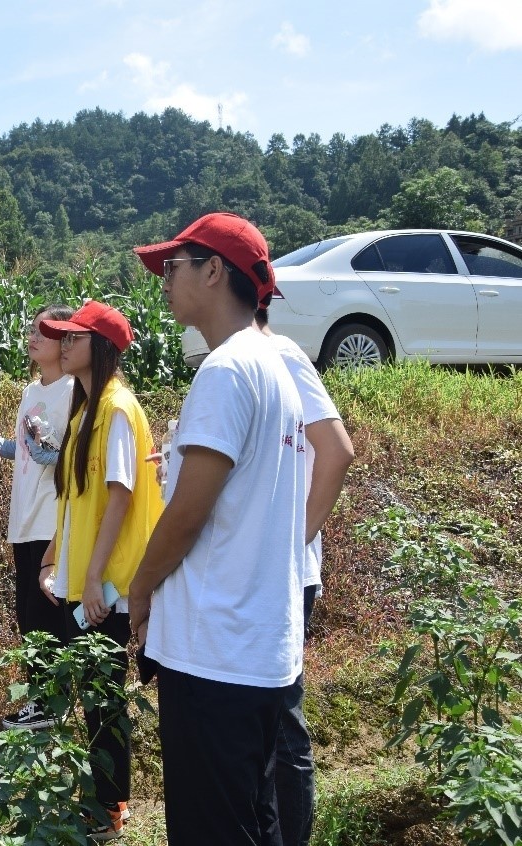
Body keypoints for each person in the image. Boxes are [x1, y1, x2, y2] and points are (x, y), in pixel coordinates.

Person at [128, 212, 307, 845]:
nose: (165, 280)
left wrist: (141, 591)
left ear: (213, 271)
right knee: (255, 822)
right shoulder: (273, 367)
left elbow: (187, 513)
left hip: (215, 653)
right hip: (256, 648)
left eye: (173, 267)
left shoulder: (227, 369)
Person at [34, 300, 163, 842]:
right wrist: (53, 556)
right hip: (84, 579)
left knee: (104, 697)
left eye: (73, 339)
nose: (63, 346)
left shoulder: (115, 407)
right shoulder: (85, 409)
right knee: (90, 694)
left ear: (101, 347)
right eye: (60, 339)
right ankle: (100, 799)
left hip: (104, 586)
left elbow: (119, 495)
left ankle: (110, 808)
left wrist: (90, 581)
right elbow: (76, 498)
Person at [257, 302, 355, 846]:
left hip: (285, 574)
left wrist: (295, 543)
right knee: (267, 721)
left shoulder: (282, 354)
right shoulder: (245, 360)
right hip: (264, 572)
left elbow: (337, 452)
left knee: (282, 724)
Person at [0, 305, 75, 731]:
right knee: (28, 616)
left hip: (51, 519)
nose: (33, 338)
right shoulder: (32, 391)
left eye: (44, 333)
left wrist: (44, 448)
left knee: (46, 615)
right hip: (23, 517)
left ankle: (50, 706)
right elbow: (26, 448)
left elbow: (66, 455)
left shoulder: (71, 390)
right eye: (32, 330)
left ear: (66, 342)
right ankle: (44, 702)